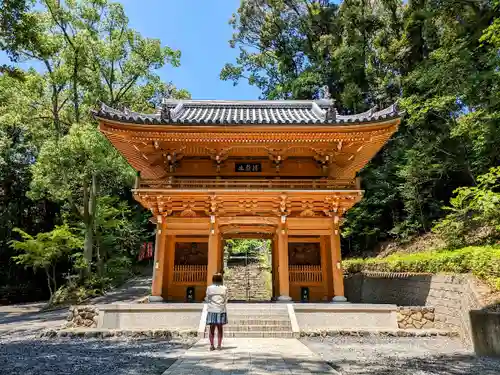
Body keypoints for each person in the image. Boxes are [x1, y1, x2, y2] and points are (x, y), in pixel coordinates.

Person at [205, 272, 228, 350]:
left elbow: (207, 298)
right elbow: (226, 299)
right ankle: (219, 345)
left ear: (213, 279)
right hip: (221, 310)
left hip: (212, 310)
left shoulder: (209, 288)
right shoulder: (224, 288)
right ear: (221, 279)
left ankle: (211, 345)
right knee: (220, 328)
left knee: (211, 328)